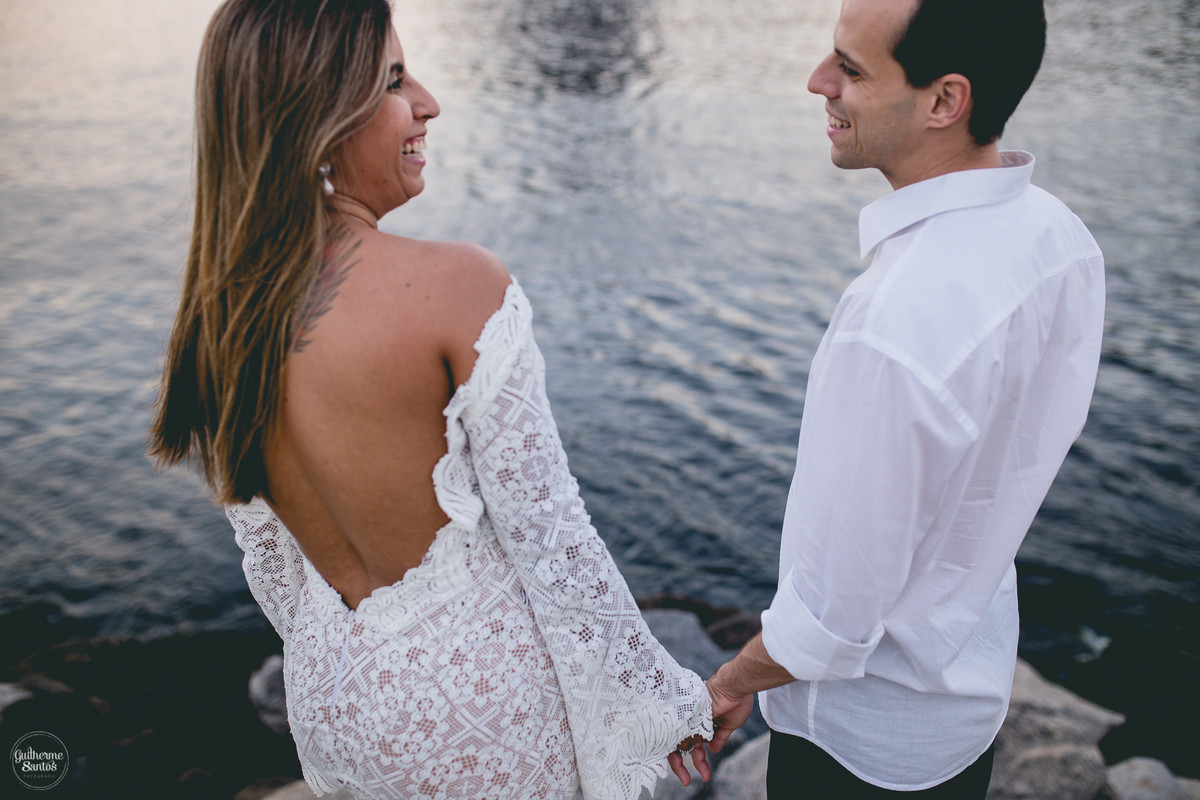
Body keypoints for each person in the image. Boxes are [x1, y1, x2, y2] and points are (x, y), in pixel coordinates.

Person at [148, 1, 716, 797]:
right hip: (480, 708)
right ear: (320, 114)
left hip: (331, 692)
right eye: (392, 81)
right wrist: (659, 704)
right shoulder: (456, 285)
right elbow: (553, 538)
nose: (427, 101)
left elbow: (273, 562)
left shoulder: (223, 319)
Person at [689, 0, 1106, 796]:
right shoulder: (1057, 238)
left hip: (862, 747)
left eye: (850, 69)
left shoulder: (892, 322)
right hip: (962, 707)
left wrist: (731, 683)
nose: (818, 83)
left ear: (945, 101)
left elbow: (832, 617)